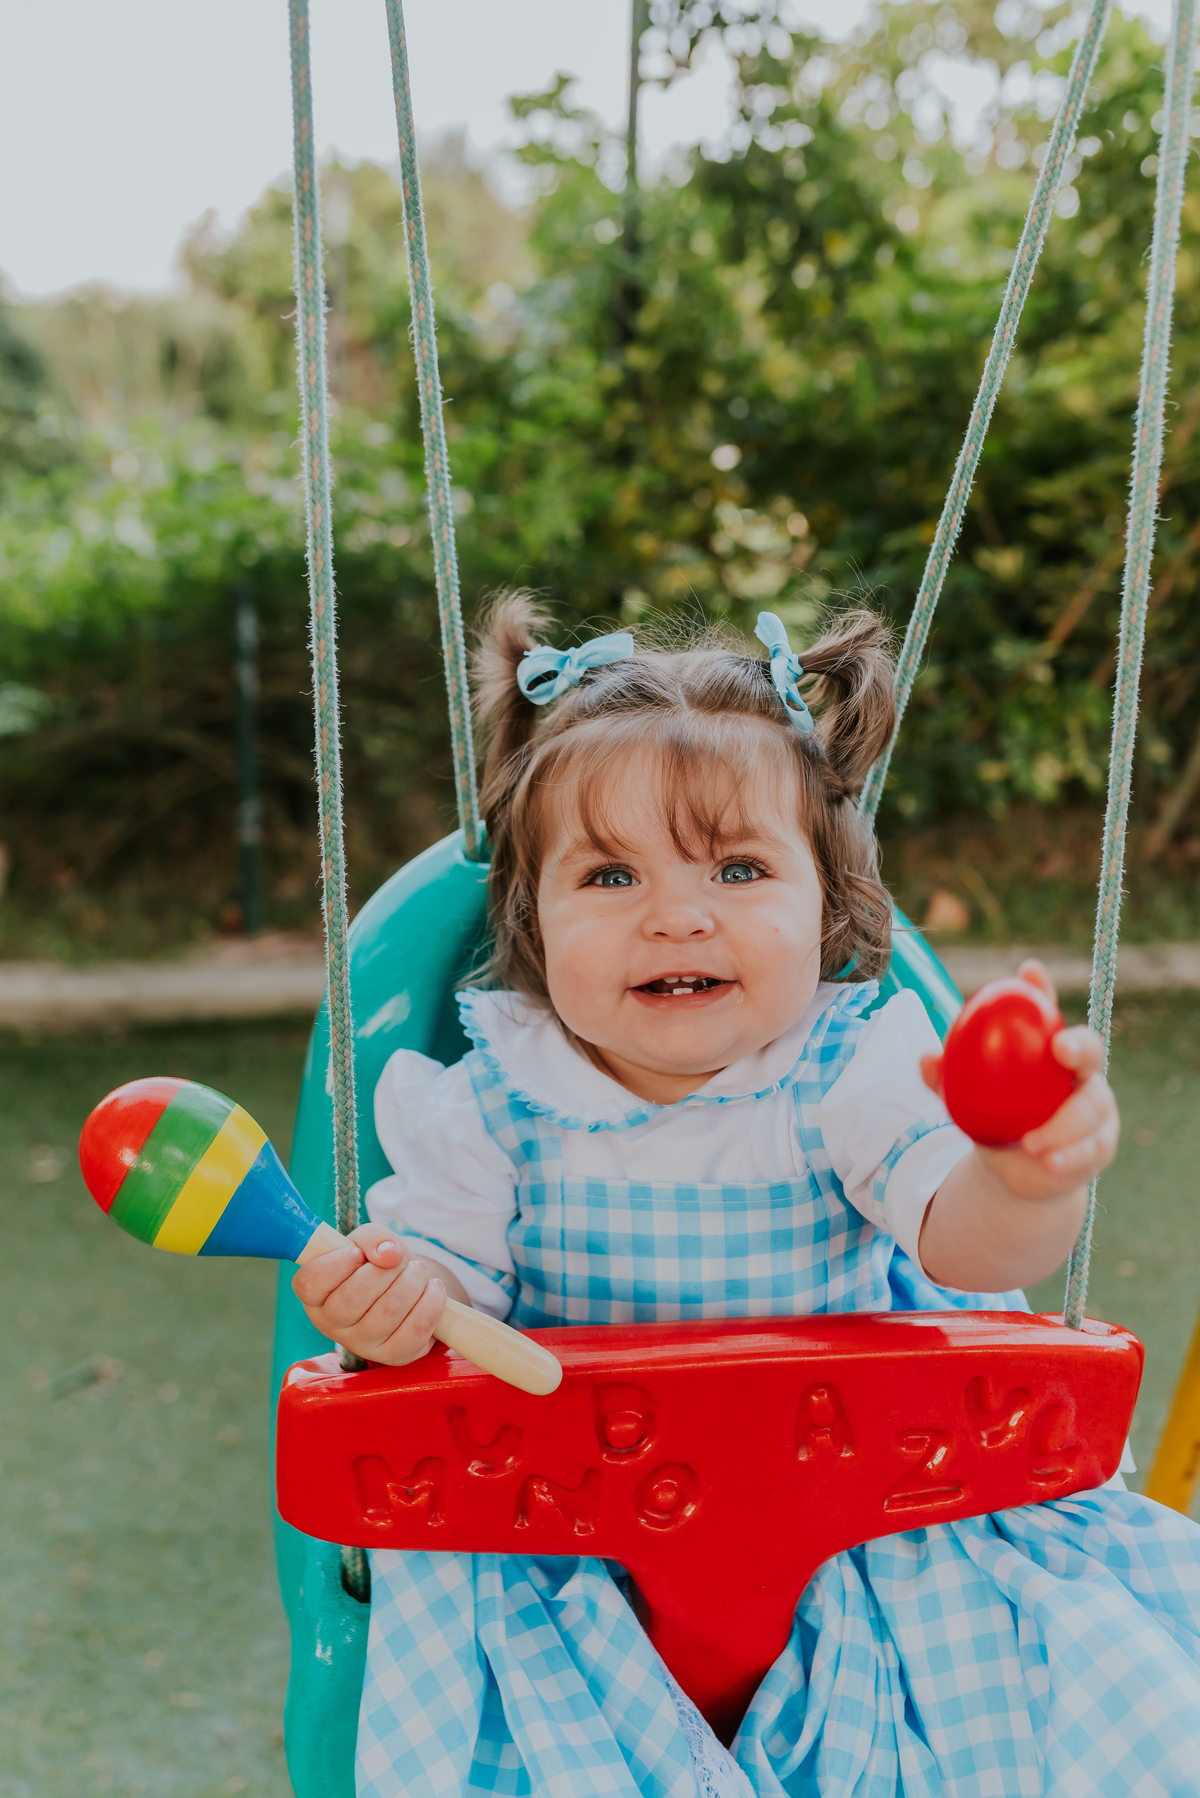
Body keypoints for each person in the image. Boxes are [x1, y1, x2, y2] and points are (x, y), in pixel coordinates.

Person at [295, 597, 1200, 1798]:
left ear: (825, 908)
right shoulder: (489, 1109)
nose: (678, 912)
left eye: (737, 866)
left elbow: (970, 1248)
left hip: (872, 1533)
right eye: (610, 873)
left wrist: (1024, 1172)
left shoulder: (850, 1074)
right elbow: (444, 1293)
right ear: (534, 921)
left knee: (1038, 1710)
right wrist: (391, 1302)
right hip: (573, 1557)